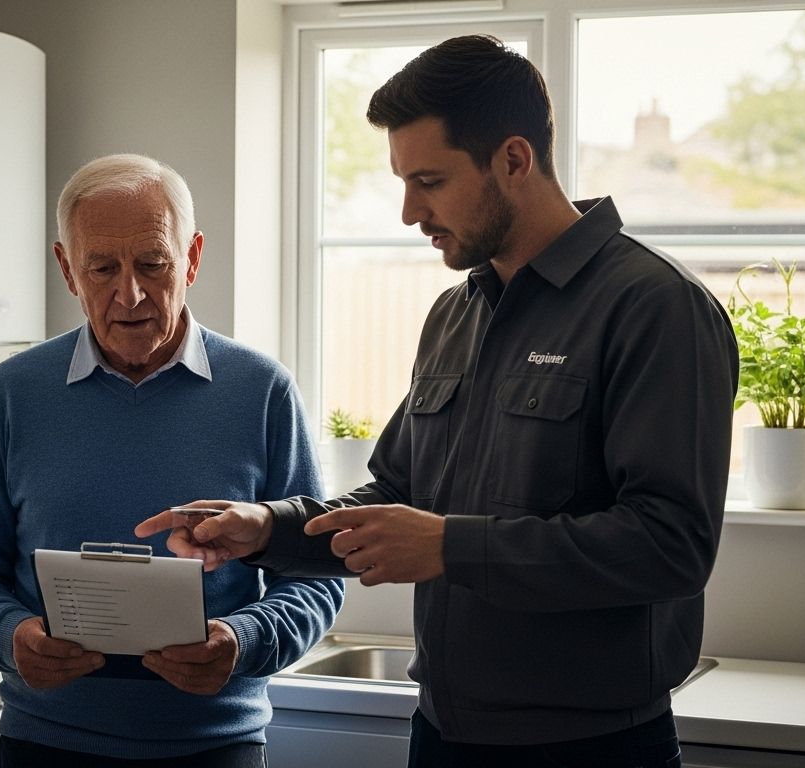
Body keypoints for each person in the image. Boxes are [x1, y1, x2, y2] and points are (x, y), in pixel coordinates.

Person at [137, 35, 738, 768]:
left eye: (429, 180)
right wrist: (267, 527)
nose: (407, 211)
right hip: (442, 739)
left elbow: (669, 545)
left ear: (514, 160)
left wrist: (451, 545)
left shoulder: (655, 307)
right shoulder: (455, 313)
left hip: (593, 748)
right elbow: (394, 493)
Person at [0, 153, 344, 768]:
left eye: (153, 264)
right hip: (45, 744)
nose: (129, 294)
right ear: (67, 270)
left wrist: (243, 640)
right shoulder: (13, 394)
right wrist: (9, 637)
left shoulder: (263, 391)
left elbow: (315, 574)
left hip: (216, 746)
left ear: (193, 257)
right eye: (101, 268)